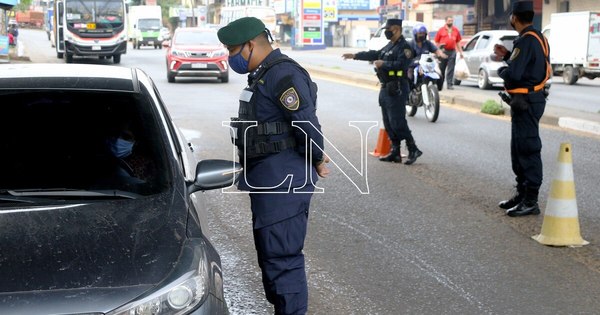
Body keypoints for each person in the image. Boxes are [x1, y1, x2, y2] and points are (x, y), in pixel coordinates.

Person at [217, 17, 330, 315]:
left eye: (232, 50)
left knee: (282, 257)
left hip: (285, 180)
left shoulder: (282, 75)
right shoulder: (262, 75)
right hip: (269, 179)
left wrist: (317, 158)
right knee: (270, 253)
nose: (230, 57)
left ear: (250, 45)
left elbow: (305, 123)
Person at [494, 0, 550, 217]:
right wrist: (508, 57)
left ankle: (530, 201)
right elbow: (528, 68)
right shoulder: (537, 38)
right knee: (518, 150)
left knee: (527, 150)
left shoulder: (525, 41)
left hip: (526, 102)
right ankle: (521, 194)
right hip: (529, 100)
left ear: (514, 17)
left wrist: (502, 70)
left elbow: (515, 75)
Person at [342, 18, 422, 165]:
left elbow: (403, 64)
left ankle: (413, 148)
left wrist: (384, 64)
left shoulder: (405, 47)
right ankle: (395, 152)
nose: (386, 31)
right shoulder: (390, 45)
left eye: (388, 29)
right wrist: (355, 55)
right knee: (388, 122)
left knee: (398, 121)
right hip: (386, 87)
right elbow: (375, 54)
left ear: (397, 29)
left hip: (397, 87)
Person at [434, 16, 464, 90]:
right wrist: (437, 51)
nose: (450, 22)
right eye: (449, 20)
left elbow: (458, 42)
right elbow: (436, 41)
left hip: (452, 51)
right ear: (446, 21)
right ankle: (440, 84)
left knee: (451, 69)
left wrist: (461, 52)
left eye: (451, 20)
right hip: (443, 51)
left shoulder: (456, 30)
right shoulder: (441, 30)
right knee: (442, 69)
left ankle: (449, 84)